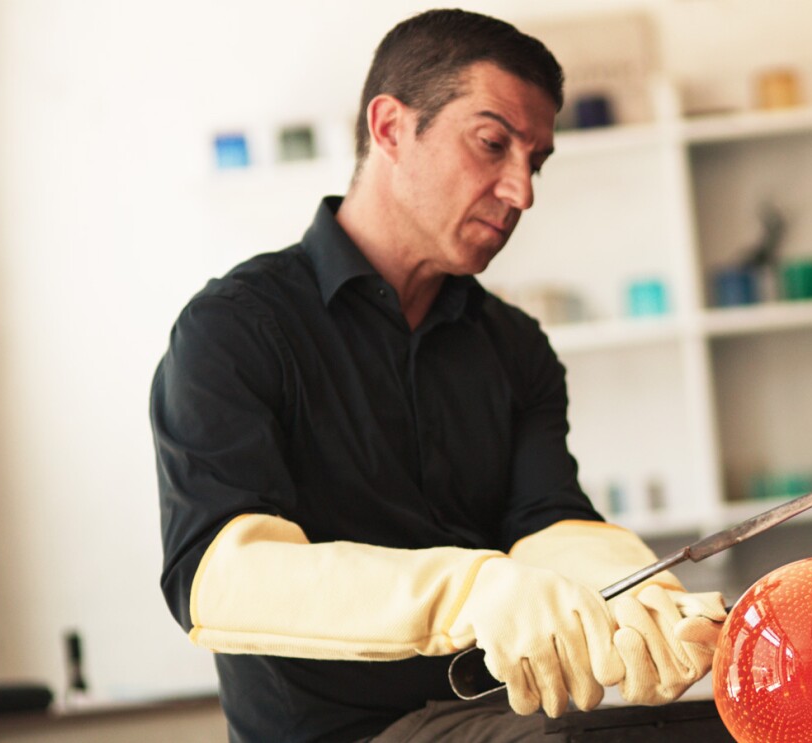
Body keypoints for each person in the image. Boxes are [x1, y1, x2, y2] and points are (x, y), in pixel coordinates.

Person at [151, 9, 724, 742]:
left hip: (495, 712)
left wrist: (632, 586)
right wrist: (473, 589)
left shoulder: (515, 348)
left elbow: (547, 519)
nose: (522, 191)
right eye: (492, 145)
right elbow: (222, 576)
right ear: (390, 127)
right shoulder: (234, 329)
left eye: (536, 160)